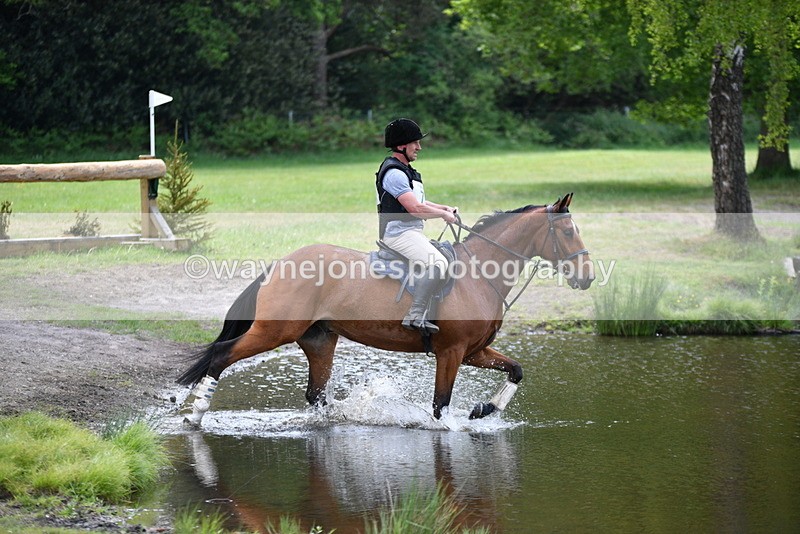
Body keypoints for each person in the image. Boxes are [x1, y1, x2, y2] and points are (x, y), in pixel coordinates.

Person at [375, 118, 458, 334]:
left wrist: (444, 208)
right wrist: (442, 215)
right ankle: (415, 315)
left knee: (447, 256)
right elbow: (414, 209)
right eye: (415, 143)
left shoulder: (407, 171)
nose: (419, 147)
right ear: (402, 145)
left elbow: (421, 203)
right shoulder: (394, 173)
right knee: (438, 264)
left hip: (410, 232)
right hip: (397, 234)